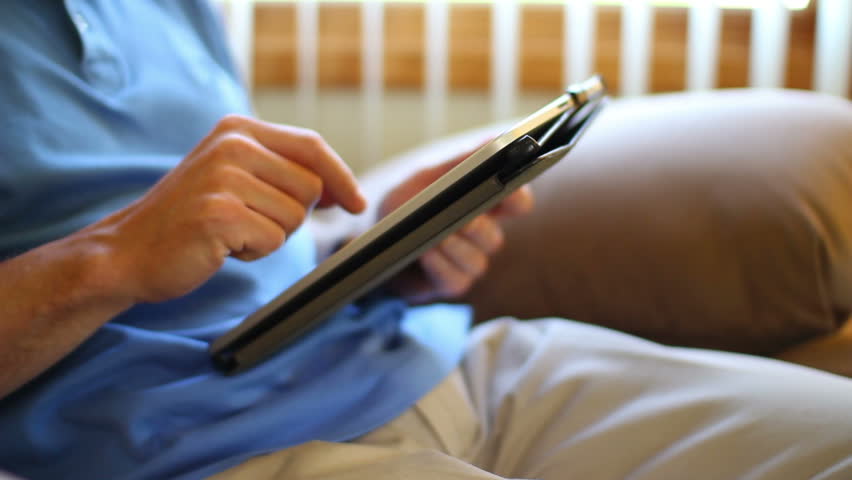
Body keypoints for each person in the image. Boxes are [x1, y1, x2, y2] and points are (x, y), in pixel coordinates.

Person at [0, 2, 849, 480]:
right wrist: (106, 262)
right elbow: (141, 239)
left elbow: (220, 245)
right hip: (195, 451)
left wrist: (369, 253)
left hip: (435, 364)